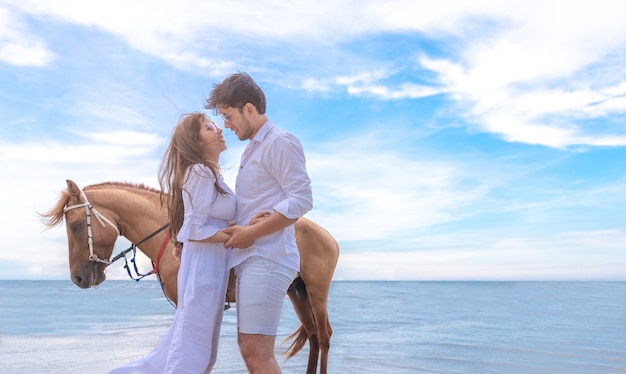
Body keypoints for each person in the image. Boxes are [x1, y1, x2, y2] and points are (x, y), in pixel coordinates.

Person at [109, 112, 235, 374]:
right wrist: (237, 234)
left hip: (210, 264)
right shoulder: (199, 172)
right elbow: (194, 229)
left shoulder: (210, 174)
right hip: (204, 268)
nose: (218, 128)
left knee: (198, 346)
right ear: (194, 141)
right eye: (208, 127)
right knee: (194, 348)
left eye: (215, 124)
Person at [205, 72, 313, 374]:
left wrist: (253, 232)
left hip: (268, 256)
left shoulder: (280, 141)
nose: (226, 124)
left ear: (248, 109)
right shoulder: (253, 148)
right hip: (254, 257)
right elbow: (250, 206)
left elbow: (302, 197)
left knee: (256, 351)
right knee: (251, 349)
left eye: (228, 116)